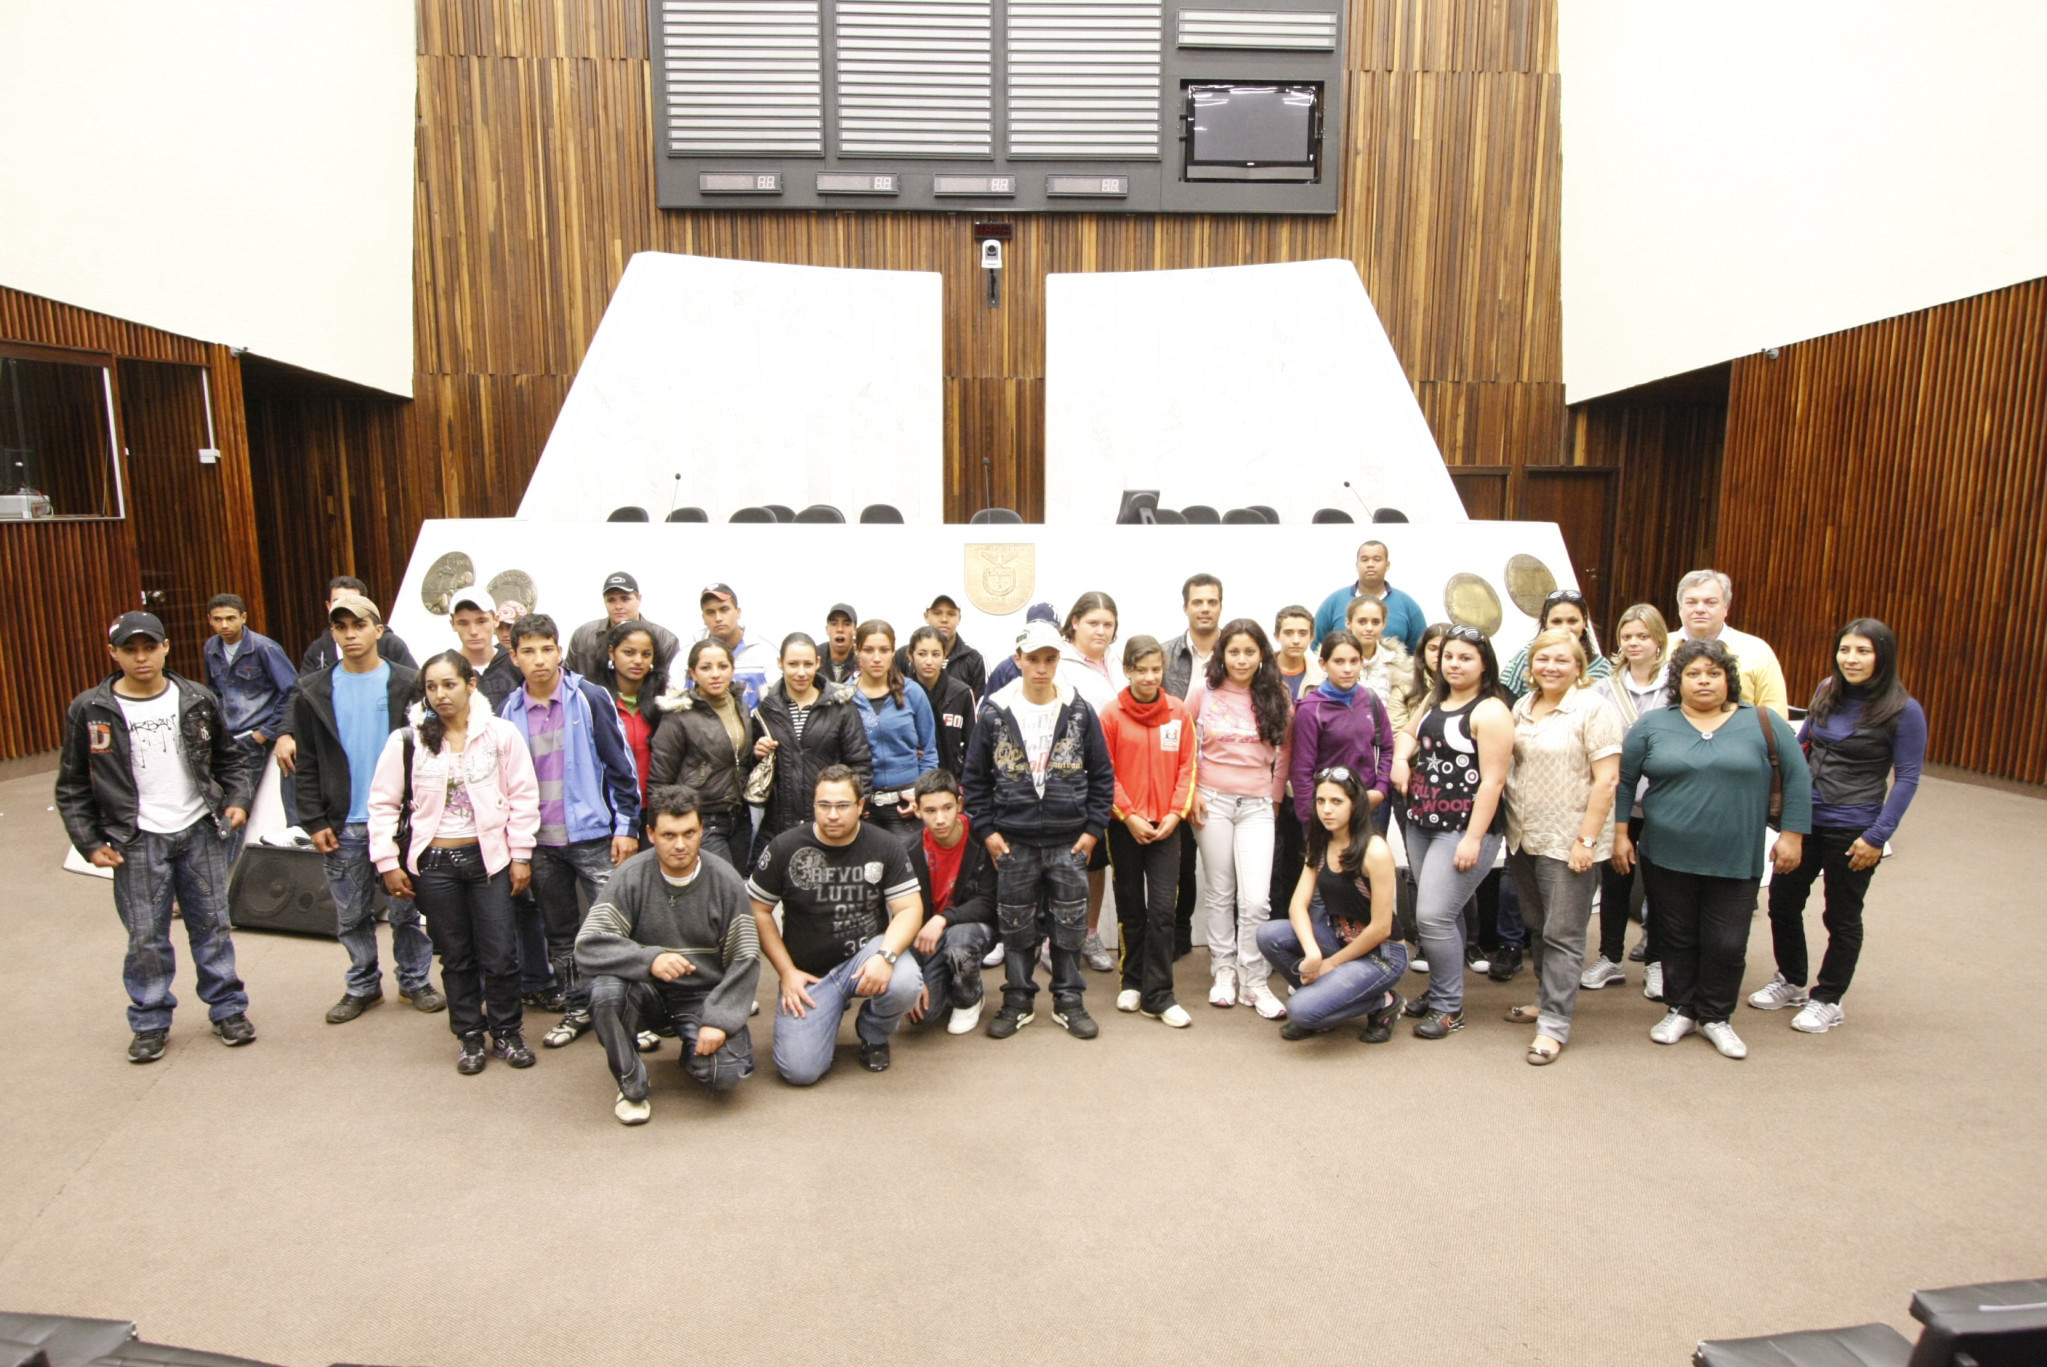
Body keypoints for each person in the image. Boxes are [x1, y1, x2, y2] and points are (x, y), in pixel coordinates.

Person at [57, 612, 257, 1062]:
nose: (141, 657)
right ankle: (150, 1020)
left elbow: (230, 758)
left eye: (150, 647)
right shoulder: (91, 709)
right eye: (130, 650)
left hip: (199, 830)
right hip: (135, 838)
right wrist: (90, 842)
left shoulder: (196, 698)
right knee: (146, 936)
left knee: (212, 926)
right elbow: (73, 784)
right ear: (113, 654)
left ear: (166, 647)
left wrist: (238, 800)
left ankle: (228, 1009)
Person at [1614, 638, 1810, 1060]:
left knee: (1727, 943)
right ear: (1678, 680)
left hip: (1735, 856)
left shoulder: (1763, 722)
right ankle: (1681, 1009)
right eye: (1693, 674)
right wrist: (1620, 834)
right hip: (1666, 855)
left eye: (1713, 673)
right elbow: (1624, 781)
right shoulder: (1653, 725)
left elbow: (1798, 778)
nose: (1704, 681)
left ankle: (1717, 1017)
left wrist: (1793, 835)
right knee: (1675, 936)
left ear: (1728, 679)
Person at [368, 651, 541, 1074]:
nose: (440, 694)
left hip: (489, 861)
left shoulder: (501, 734)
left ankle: (507, 1032)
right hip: (435, 866)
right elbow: (383, 803)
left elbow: (523, 796)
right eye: (431, 687)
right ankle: (469, 1036)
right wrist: (387, 861)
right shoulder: (408, 740)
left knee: (500, 954)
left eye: (449, 684)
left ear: (471, 684)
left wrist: (521, 854)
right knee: (457, 956)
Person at [1752, 618, 1925, 1033]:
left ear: (1882, 656)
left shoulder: (1904, 711)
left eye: (1863, 651)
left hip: (1855, 829)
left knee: (1841, 916)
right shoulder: (1826, 690)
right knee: (1783, 902)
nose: (1851, 659)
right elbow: (1801, 748)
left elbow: (1908, 778)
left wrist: (1877, 837)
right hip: (1804, 821)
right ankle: (1791, 979)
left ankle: (1828, 998)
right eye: (1845, 649)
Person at [964, 619, 1117, 1040]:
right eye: (1033, 659)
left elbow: (1102, 775)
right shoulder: (995, 712)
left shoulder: (1079, 710)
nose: (1042, 667)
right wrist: (987, 831)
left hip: (1069, 840)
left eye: (1050, 659)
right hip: (1014, 841)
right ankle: (1017, 1001)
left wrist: (1093, 830)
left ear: (1058, 660)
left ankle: (1069, 1000)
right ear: (1018, 659)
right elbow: (974, 780)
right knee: (1015, 926)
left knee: (1070, 924)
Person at [291, 593, 441, 1023]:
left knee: (407, 910)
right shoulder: (312, 690)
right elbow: (307, 762)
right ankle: (362, 984)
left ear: (378, 629)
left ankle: (414, 980)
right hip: (345, 821)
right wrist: (314, 819)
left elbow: (430, 750)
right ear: (332, 633)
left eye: (358, 625)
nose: (350, 635)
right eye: (341, 627)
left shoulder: (409, 683)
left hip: (401, 823)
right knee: (351, 913)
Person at [497, 612, 643, 1049]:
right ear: (514, 657)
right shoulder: (508, 711)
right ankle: (578, 1006)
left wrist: (627, 825)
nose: (540, 659)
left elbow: (621, 765)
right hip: (541, 842)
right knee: (560, 933)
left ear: (560, 651)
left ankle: (632, 1012)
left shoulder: (590, 698)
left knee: (614, 926)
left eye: (547, 649)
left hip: (594, 836)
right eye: (528, 651)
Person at [577, 787, 762, 1124]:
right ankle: (631, 1084)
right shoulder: (630, 876)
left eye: (689, 833)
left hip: (701, 995)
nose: (680, 844)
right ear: (651, 834)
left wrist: (719, 1019)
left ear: (702, 830)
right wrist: (650, 959)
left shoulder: (726, 880)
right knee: (605, 991)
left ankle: (693, 1051)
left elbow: (745, 957)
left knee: (727, 1074)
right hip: (645, 991)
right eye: (669, 835)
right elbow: (589, 944)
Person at [748, 765, 924, 1082]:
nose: (832, 815)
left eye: (842, 805)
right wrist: (786, 972)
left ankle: (874, 1033)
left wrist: (886, 958)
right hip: (810, 974)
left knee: (905, 981)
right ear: (813, 805)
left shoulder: (885, 845)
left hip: (866, 958)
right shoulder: (785, 847)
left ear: (860, 805)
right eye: (824, 805)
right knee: (800, 1072)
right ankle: (828, 1009)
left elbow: (910, 908)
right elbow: (758, 910)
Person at [1500, 628, 1624, 1064]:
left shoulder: (1594, 709)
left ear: (1578, 666)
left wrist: (1586, 840)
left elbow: (1607, 780)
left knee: (1564, 934)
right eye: (1543, 659)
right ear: (1531, 665)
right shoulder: (1522, 706)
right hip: (1524, 836)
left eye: (1561, 660)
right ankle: (1543, 999)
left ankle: (1553, 1026)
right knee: (1538, 924)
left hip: (1569, 840)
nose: (1550, 667)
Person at [1390, 625, 1512, 1039]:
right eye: (1448, 657)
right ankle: (1444, 990)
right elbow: (1408, 733)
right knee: (1445, 914)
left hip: (1462, 828)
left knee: (1432, 916)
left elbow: (1493, 781)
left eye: (1465, 658)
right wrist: (1401, 760)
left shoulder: (1490, 711)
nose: (1454, 664)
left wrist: (1474, 838)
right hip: (1422, 821)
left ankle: (1448, 1008)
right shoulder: (1436, 698)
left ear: (1484, 664)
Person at [1186, 618, 1294, 1019]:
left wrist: (1275, 796)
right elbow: (1185, 744)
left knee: (1256, 900)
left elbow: (1285, 751)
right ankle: (1224, 969)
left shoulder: (1277, 693)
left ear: (1262, 654)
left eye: (1250, 651)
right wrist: (1192, 791)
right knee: (1219, 891)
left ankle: (1254, 979)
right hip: (1212, 802)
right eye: (1234, 652)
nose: (1242, 659)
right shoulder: (1203, 692)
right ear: (1222, 654)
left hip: (1257, 806)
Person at [1255, 768, 1407, 1043]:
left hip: (1381, 955)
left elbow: (1382, 928)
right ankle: (1327, 999)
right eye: (1321, 801)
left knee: (1301, 1011)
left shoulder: (1374, 850)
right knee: (1269, 935)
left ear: (1355, 804)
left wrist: (1331, 964)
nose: (1326, 809)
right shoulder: (1321, 842)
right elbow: (1297, 905)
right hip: (1340, 939)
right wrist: (1313, 954)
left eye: (1337, 801)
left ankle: (1383, 1002)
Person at [1097, 635, 1196, 1028]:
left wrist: (1175, 814)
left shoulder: (1178, 712)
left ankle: (1160, 995)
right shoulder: (1110, 715)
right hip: (1125, 826)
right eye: (1141, 670)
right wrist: (1128, 815)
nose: (1150, 677)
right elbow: (1104, 772)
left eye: (1156, 670)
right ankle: (1132, 981)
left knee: (1163, 910)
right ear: (1127, 670)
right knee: (1131, 907)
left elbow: (1188, 766)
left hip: (1167, 826)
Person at [1582, 604, 1671, 997]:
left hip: (1663, 801)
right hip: (1617, 800)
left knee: (1661, 883)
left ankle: (1657, 961)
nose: (1634, 643)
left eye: (1643, 636)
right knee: (1615, 881)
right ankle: (1610, 957)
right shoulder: (1604, 688)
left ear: (1658, 641)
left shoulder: (1675, 685)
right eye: (1627, 636)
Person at [747, 632, 872, 863]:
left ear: (818, 663)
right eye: (793, 664)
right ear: (780, 663)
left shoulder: (841, 707)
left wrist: (852, 812)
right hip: (779, 824)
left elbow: (860, 763)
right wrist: (756, 754)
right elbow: (749, 765)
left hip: (830, 822)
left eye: (807, 664)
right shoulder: (766, 709)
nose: (801, 672)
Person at [903, 769, 998, 1035]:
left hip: (970, 927)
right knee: (922, 1015)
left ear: (959, 804)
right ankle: (947, 980)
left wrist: (943, 918)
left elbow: (989, 901)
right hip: (927, 936)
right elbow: (902, 912)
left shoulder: (981, 839)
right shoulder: (909, 850)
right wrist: (910, 976)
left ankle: (969, 998)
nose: (940, 819)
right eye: (930, 811)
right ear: (917, 811)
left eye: (947, 808)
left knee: (959, 940)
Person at [201, 592, 296, 856]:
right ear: (209, 620)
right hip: (228, 735)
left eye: (230, 618)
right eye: (218, 619)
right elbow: (215, 692)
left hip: (254, 735)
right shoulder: (211, 648)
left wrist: (265, 733)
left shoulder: (264, 648)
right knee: (219, 799)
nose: (224, 625)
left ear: (243, 617)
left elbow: (292, 690)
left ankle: (226, 870)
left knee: (237, 802)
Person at [649, 639, 756, 868]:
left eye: (722, 666)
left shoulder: (740, 706)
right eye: (706, 668)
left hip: (739, 816)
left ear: (732, 669)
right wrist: (668, 826)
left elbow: (739, 759)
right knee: (720, 883)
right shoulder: (679, 715)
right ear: (693, 673)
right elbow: (660, 780)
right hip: (701, 817)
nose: (715, 674)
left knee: (736, 885)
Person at [1058, 591, 1123, 972]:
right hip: (1073, 780)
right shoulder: (1060, 663)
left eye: (1107, 624)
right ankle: (1055, 939)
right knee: (1066, 862)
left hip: (1114, 780)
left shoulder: (1116, 661)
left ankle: (1090, 932)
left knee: (1097, 862)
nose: (1101, 630)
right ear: (1075, 622)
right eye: (1093, 623)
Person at [1288, 630, 1394, 837]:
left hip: (1368, 806)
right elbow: (1301, 770)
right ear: (1323, 664)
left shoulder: (1370, 699)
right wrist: (1311, 820)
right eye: (1339, 662)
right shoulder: (1311, 709)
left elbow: (1387, 748)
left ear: (1361, 663)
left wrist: (1381, 789)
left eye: (1354, 661)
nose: (1347, 669)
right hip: (1328, 812)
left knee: (1371, 857)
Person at [851, 620, 938, 840]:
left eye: (884, 650)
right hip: (863, 807)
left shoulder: (913, 692)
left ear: (893, 651)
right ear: (857, 651)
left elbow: (929, 751)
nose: (877, 658)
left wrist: (922, 796)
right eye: (868, 650)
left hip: (906, 805)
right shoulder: (846, 696)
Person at [1668, 569, 1788, 718]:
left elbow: (1775, 718)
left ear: (1725, 608)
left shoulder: (1757, 651)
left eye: (1710, 602)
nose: (1700, 609)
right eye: (1691, 602)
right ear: (1680, 608)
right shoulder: (1658, 647)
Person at [591, 620, 666, 813]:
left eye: (646, 654)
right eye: (629, 653)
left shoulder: (663, 704)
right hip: (611, 809)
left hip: (656, 809)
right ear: (611, 653)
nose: (638, 661)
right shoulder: (596, 702)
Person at [1313, 540, 1426, 652]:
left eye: (1377, 559)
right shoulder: (1333, 602)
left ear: (1387, 565)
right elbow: (1316, 648)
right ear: (1357, 565)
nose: (1370, 564)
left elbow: (1420, 652)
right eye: (1364, 560)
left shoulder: (1407, 605)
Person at [566, 571, 682, 678]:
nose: (618, 606)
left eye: (625, 599)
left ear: (638, 599)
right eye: (611, 600)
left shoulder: (666, 641)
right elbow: (566, 680)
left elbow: (671, 686)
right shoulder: (582, 635)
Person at [1500, 588, 1612, 698]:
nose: (1565, 628)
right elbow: (1503, 698)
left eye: (1572, 621)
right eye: (1557, 621)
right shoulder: (1526, 656)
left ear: (1584, 622)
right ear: (1545, 622)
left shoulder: (1602, 667)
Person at [299, 575, 417, 674]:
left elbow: (415, 685)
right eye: (337, 602)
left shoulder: (390, 644)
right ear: (328, 606)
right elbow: (302, 690)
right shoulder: (317, 649)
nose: (350, 635)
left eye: (359, 626)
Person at [906, 625, 976, 778]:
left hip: (952, 778)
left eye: (936, 654)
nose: (929, 661)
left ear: (945, 655)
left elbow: (972, 746)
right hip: (911, 778)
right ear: (910, 655)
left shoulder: (961, 693)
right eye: (922, 654)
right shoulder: (900, 694)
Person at [697, 583, 778, 712]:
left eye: (724, 610)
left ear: (738, 612)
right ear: (703, 618)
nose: (718, 618)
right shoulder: (687, 656)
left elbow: (779, 704)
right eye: (710, 612)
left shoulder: (766, 652)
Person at [894, 594, 986, 704]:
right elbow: (893, 695)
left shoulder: (973, 658)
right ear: (926, 616)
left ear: (959, 618)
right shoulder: (903, 655)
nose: (944, 619)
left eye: (951, 614)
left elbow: (980, 703)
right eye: (937, 613)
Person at [447, 588, 525, 710]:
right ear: (453, 624)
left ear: (496, 620)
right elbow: (427, 713)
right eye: (463, 623)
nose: (473, 631)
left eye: (481, 621)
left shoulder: (518, 663)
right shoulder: (443, 668)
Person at [1342, 595, 1414, 708]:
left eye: (1375, 622)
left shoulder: (1398, 664)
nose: (1369, 628)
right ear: (1348, 623)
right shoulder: (1333, 663)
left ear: (1384, 624)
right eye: (1362, 622)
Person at [1161, 573, 1223, 701]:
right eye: (1197, 603)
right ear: (1185, 608)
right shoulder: (1163, 655)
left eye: (1212, 602)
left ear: (1220, 607)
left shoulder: (1236, 655)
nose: (1205, 609)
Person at [982, 602, 1058, 696]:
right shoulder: (1005, 670)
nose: (1042, 669)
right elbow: (989, 703)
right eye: (1033, 659)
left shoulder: (1067, 665)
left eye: (1050, 660)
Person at [1271, 605, 1324, 701]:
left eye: (1303, 633)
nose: (1296, 640)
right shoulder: (1260, 673)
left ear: (1311, 637)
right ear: (1277, 636)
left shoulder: (1322, 676)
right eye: (1288, 633)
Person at [820, 603, 860, 686]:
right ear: (827, 629)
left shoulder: (863, 657)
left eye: (847, 624)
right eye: (834, 624)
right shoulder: (816, 657)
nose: (840, 629)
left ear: (855, 630)